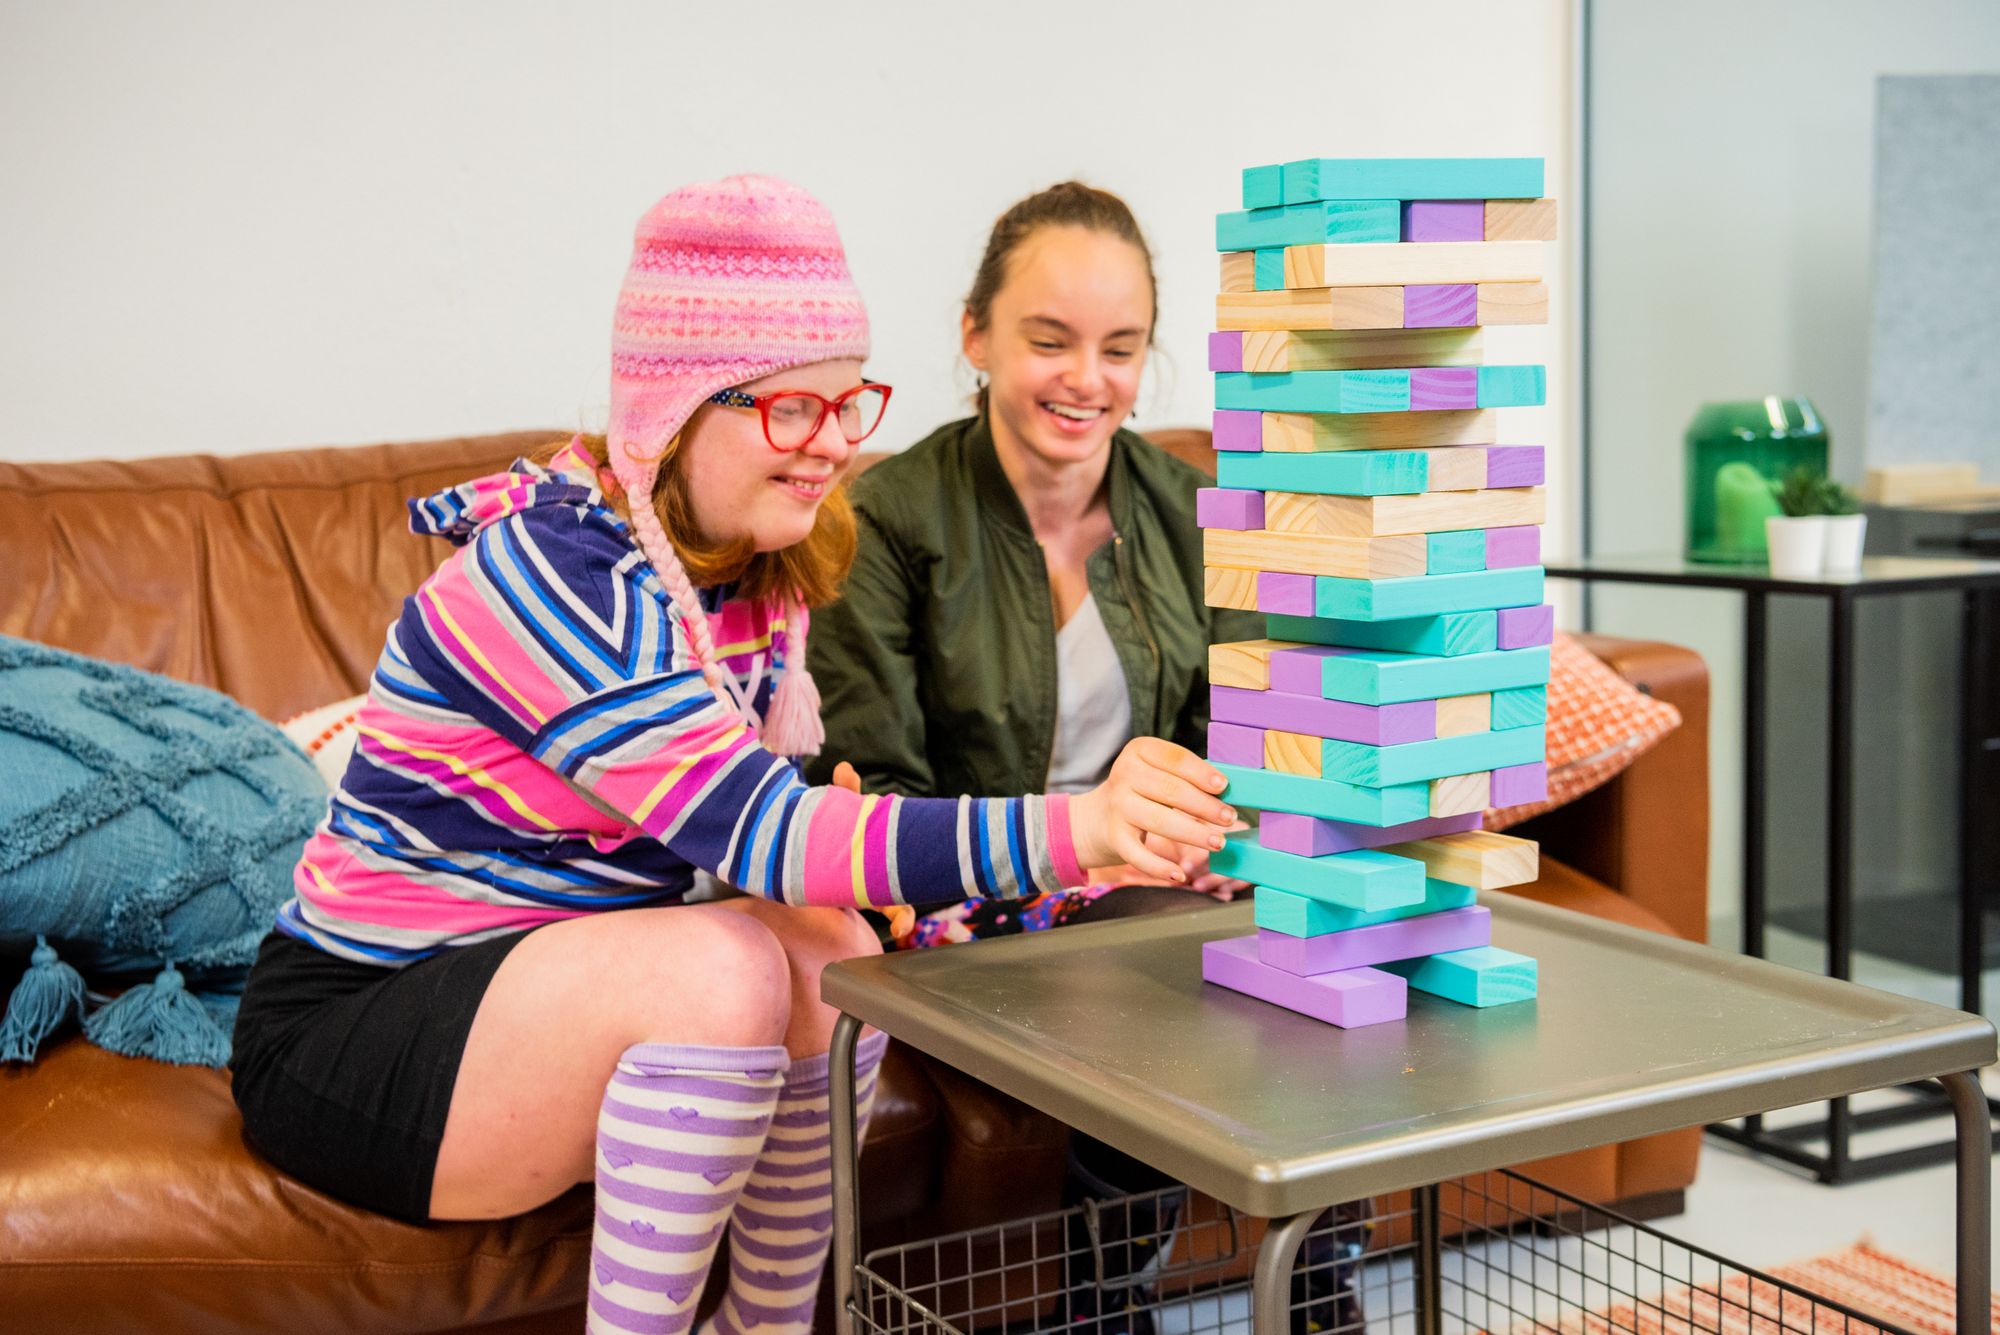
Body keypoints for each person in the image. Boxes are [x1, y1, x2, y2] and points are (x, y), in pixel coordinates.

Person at [227, 175, 1236, 1335]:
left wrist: (825, 842)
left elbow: (753, 832)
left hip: (546, 980)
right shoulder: (558, 575)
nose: (827, 448)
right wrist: (1084, 828)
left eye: (844, 402)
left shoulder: (753, 572)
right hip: (358, 1027)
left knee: (824, 950)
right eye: (785, 410)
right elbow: (768, 834)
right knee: (721, 973)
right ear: (671, 408)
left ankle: (767, 1325)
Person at [807, 181, 1261, 949]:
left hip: (1165, 886)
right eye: (1050, 342)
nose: (1088, 378)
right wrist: (1087, 855)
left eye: (1120, 349)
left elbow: (1246, 744)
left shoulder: (1202, 512)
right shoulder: (879, 520)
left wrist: (1199, 835)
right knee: (1183, 948)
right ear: (976, 335)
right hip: (964, 897)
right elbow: (872, 803)